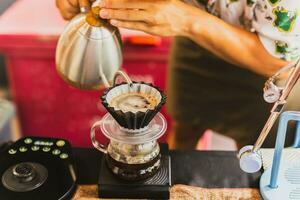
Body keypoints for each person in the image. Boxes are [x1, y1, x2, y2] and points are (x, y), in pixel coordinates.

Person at [57, 0, 300, 149]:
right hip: (193, 35)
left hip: (265, 61)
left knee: (250, 153)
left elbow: (278, 61)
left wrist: (187, 20)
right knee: (184, 127)